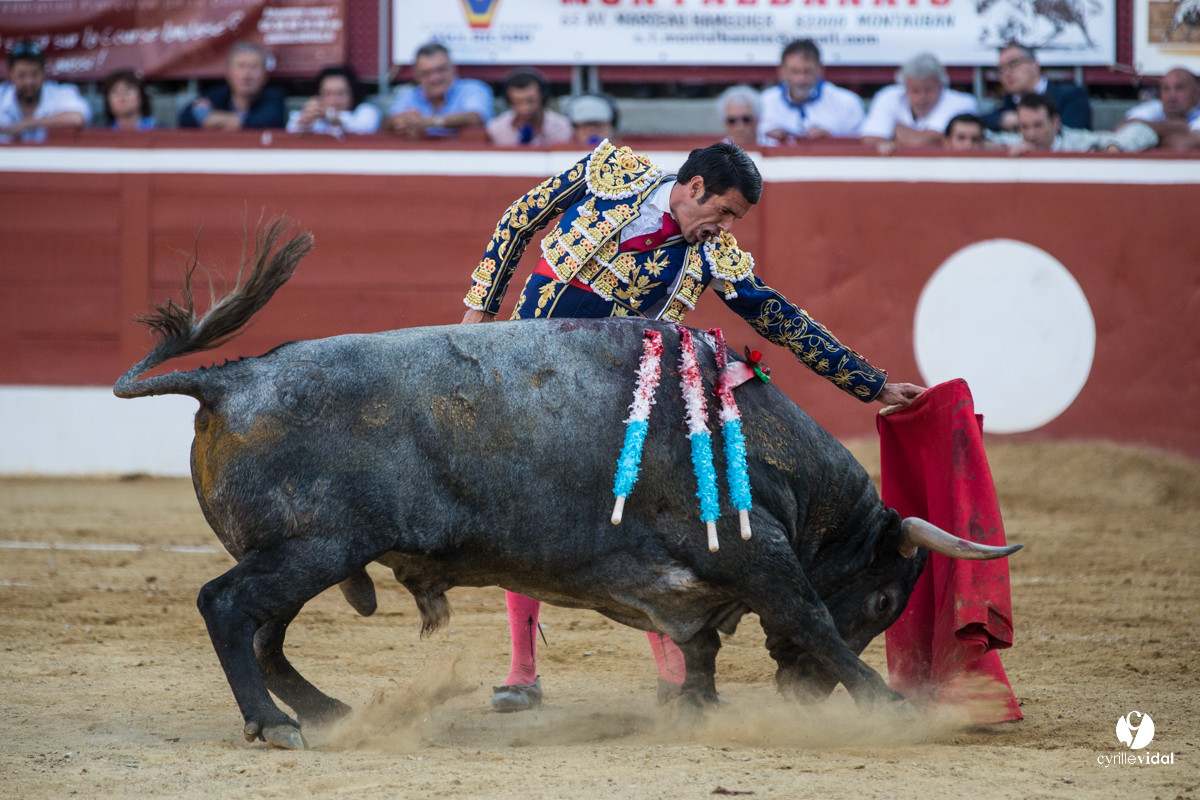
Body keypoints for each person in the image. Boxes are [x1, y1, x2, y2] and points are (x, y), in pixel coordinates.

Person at [460, 140, 926, 712]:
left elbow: (782, 320)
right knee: (522, 513)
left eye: (735, 219)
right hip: (526, 379)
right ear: (694, 187)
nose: (725, 227)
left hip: (611, 412)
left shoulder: (714, 257)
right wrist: (480, 310)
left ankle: (676, 676)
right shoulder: (611, 173)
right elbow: (520, 217)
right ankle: (521, 672)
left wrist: (870, 384)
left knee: (641, 520)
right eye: (723, 212)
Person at [860, 53, 978, 152]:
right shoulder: (888, 96)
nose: (922, 97)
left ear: (942, 85)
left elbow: (931, 141)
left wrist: (897, 132)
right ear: (904, 87)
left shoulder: (962, 102)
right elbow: (870, 139)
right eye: (915, 91)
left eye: (929, 90)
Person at [757, 38, 865, 143]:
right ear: (782, 71)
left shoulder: (847, 102)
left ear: (820, 69)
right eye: (794, 72)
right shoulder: (763, 102)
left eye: (807, 71)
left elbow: (861, 147)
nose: (801, 79)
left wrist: (830, 140)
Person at [384, 42, 492, 138]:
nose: (435, 78)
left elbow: (476, 118)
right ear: (417, 76)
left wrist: (432, 121)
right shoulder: (409, 95)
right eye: (426, 73)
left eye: (441, 70)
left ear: (453, 68)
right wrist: (402, 121)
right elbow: (389, 122)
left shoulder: (473, 89)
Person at [994, 94, 1157, 154]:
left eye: (1038, 125)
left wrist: (1115, 145)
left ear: (1055, 122)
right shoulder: (1014, 143)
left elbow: (1142, 131)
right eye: (1024, 127)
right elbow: (982, 138)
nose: (1030, 134)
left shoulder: (1078, 142)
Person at [983, 43, 1092, 133]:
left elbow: (1075, 135)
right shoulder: (1008, 103)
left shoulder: (1070, 96)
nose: (1007, 73)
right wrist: (1001, 120)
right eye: (1001, 69)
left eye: (1014, 63)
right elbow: (980, 123)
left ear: (1034, 65)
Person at [179, 43, 286, 130]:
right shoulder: (217, 94)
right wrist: (238, 121)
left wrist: (210, 119)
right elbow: (186, 118)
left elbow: (266, 121)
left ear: (265, 74)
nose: (247, 74)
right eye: (241, 66)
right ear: (228, 73)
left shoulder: (273, 96)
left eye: (254, 67)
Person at [0, 40, 91, 143]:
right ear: (10, 74)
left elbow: (77, 117)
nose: (29, 82)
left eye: (35, 74)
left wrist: (26, 124)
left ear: (44, 72)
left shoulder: (60, 93)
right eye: (22, 75)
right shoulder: (1, 95)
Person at [486, 68, 572, 146]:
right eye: (518, 102)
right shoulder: (497, 128)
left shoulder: (562, 127)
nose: (525, 108)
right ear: (509, 102)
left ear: (543, 97)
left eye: (531, 101)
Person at [286, 65, 380, 135]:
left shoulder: (366, 111)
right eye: (328, 94)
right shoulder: (311, 117)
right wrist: (304, 121)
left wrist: (330, 116)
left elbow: (362, 128)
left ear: (352, 94)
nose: (334, 100)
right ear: (319, 96)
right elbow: (290, 131)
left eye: (340, 93)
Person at [1125, 68, 1200, 131]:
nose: (1171, 97)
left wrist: (1150, 131)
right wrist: (1177, 127)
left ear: (1196, 93)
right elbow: (1124, 127)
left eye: (1180, 88)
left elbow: (1189, 142)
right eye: (1166, 89)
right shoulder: (1156, 107)